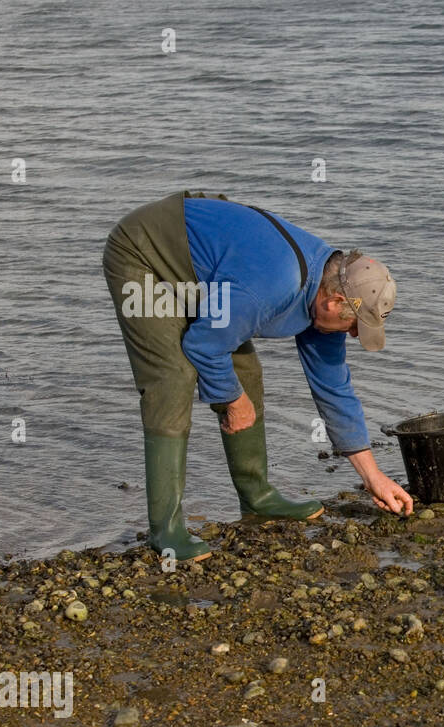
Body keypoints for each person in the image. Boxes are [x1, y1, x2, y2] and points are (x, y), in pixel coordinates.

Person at [102, 190, 413, 562]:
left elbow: (333, 386)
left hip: (211, 267)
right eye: (353, 325)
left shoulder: (331, 289)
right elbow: (203, 344)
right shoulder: (271, 289)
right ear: (333, 303)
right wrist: (232, 402)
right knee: (172, 378)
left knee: (244, 372)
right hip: (144, 252)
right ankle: (165, 530)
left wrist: (372, 476)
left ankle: (257, 497)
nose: (351, 335)